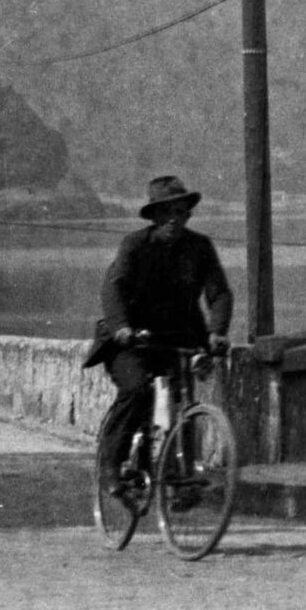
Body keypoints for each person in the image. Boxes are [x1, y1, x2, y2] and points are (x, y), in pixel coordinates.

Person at [86, 175, 234, 493]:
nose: (173, 219)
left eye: (180, 212)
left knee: (182, 402)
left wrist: (216, 332)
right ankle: (111, 466)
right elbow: (114, 288)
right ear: (154, 216)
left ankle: (178, 479)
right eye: (166, 213)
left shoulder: (199, 247)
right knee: (138, 390)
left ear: (187, 215)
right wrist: (121, 328)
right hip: (130, 342)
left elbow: (219, 293)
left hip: (177, 340)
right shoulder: (135, 245)